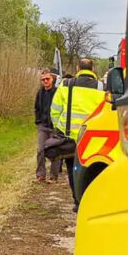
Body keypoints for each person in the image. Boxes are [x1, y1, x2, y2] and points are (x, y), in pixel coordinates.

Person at [50, 58, 105, 208]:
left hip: (70, 138)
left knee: (71, 171)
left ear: (77, 68)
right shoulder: (101, 87)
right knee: (92, 169)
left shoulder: (66, 85)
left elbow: (55, 110)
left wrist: (59, 128)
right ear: (92, 69)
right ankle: (91, 201)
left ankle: (77, 201)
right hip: (92, 138)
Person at [34, 68, 60, 184]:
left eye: (47, 79)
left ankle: (53, 176)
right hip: (43, 126)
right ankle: (40, 175)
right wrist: (38, 121)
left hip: (55, 126)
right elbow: (36, 108)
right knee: (40, 150)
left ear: (52, 79)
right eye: (43, 79)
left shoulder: (58, 92)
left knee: (55, 151)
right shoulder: (39, 93)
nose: (45, 81)